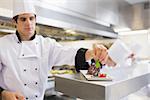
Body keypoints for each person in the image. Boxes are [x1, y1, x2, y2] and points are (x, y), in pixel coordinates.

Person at [0, 0, 115, 100]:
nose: (28, 23)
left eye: (31, 18)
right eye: (23, 19)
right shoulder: (3, 44)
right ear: (15, 22)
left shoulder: (47, 45)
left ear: (35, 19)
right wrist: (2, 94)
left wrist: (91, 53)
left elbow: (68, 53)